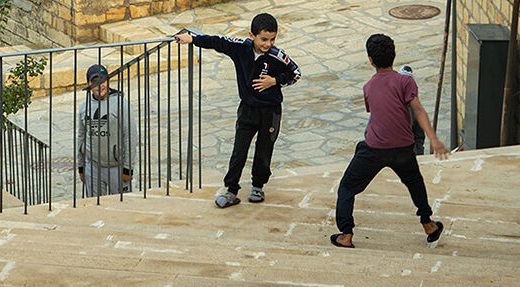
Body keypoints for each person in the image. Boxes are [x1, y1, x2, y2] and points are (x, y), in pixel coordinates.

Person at [330, 33, 449, 248]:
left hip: (375, 148)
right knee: (414, 182)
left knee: (347, 187)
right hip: (404, 147)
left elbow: (375, 111)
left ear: (371, 60)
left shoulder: (368, 87)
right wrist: (434, 140)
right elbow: (418, 110)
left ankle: (346, 234)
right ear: (394, 56)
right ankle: (428, 224)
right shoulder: (406, 81)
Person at [174, 13, 301, 207]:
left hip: (270, 112)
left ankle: (258, 186)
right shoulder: (240, 47)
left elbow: (296, 73)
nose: (268, 44)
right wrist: (192, 39)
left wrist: (274, 81)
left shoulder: (277, 56)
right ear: (252, 35)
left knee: (264, 150)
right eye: (264, 39)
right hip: (247, 110)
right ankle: (231, 190)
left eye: (272, 39)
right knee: (239, 150)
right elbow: (217, 42)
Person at [77, 64, 134, 198]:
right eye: (95, 82)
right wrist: (81, 166)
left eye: (102, 81)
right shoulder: (84, 107)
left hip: (117, 167)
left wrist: (128, 168)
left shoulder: (121, 104)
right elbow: (81, 137)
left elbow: (130, 136)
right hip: (93, 167)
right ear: (89, 84)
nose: (100, 85)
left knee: (123, 205)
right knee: (95, 207)